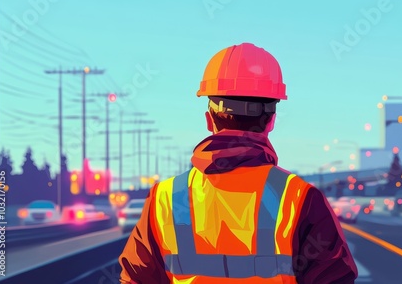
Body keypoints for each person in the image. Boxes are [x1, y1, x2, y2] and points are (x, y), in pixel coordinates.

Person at [119, 42, 358, 284]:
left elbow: (135, 278)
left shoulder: (165, 199)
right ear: (271, 120)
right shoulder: (301, 199)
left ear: (209, 119)